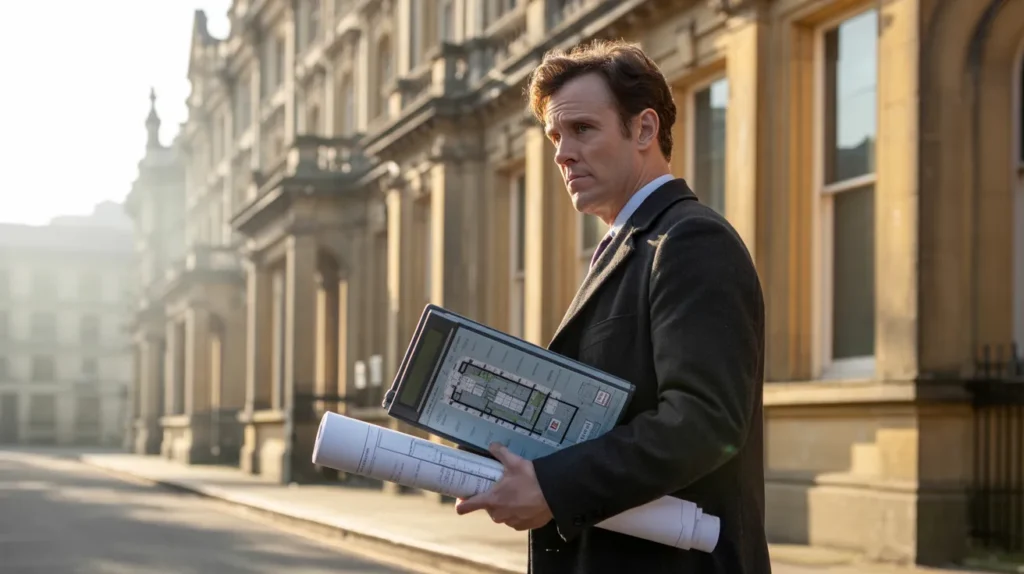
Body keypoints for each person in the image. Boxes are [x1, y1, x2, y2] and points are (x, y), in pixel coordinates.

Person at [455, 39, 770, 574]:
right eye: (556, 136)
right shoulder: (629, 246)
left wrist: (554, 487)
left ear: (645, 130)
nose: (561, 153)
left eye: (582, 129)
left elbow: (703, 423)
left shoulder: (690, 240)